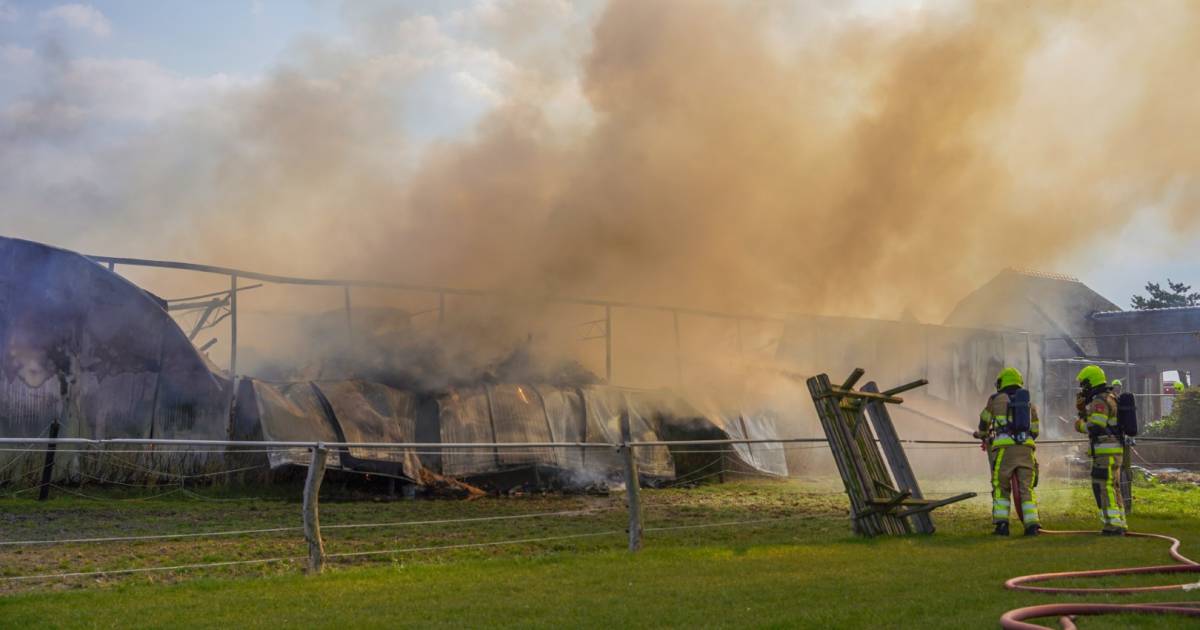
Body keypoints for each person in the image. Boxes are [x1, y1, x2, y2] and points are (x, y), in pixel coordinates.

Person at [975, 367, 1040, 536]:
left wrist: (983, 434)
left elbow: (984, 421)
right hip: (1026, 450)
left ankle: (1002, 525)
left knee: (1001, 487)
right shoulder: (1028, 403)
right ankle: (1032, 526)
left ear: (1001, 383)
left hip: (1004, 450)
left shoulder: (995, 399)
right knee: (1026, 489)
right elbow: (1035, 430)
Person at [1075, 365, 1127, 535]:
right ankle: (1119, 523)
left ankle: (1113, 526)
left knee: (1104, 487)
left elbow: (1096, 426)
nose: (1083, 389)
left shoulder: (1099, 400)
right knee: (1114, 487)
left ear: (1091, 383)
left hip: (1105, 451)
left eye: (1084, 385)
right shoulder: (1111, 397)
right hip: (1114, 450)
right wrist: (1083, 411)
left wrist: (1080, 425)